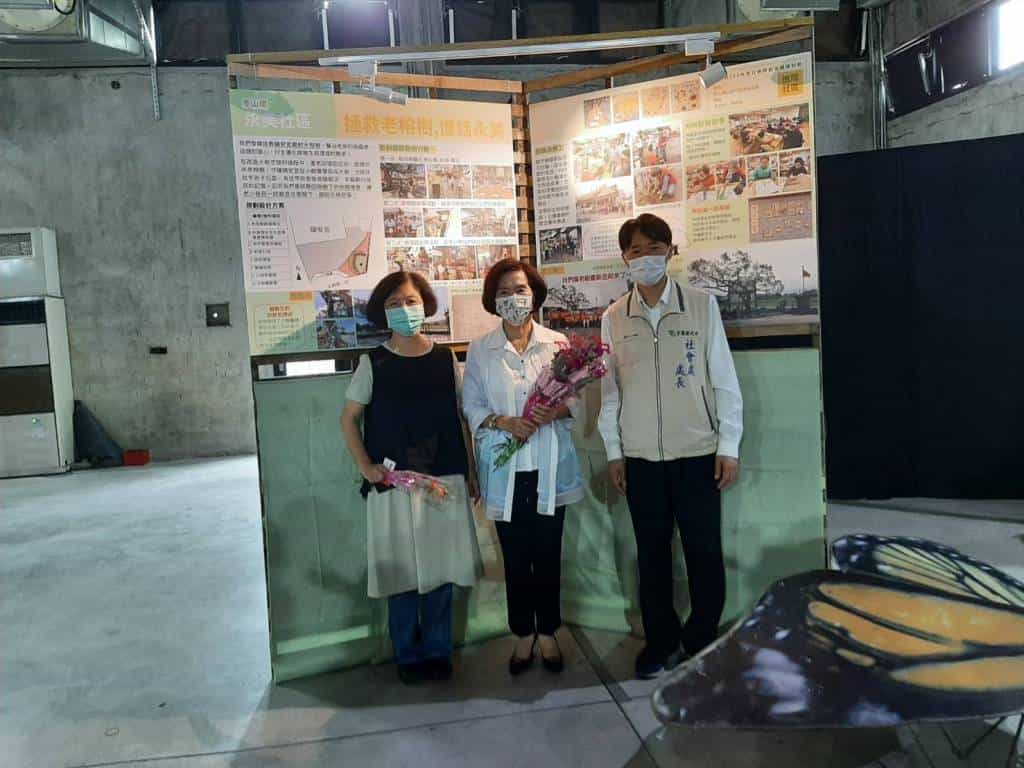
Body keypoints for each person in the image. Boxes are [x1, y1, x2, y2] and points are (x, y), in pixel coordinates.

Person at [598, 213, 743, 680]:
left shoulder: (701, 306)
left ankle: (702, 637)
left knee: (704, 552)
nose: (645, 258)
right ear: (625, 258)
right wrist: (615, 451)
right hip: (641, 460)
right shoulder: (613, 318)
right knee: (652, 555)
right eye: (635, 251)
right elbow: (610, 393)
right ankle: (659, 641)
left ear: (670, 252)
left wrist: (728, 444)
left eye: (654, 248)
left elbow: (723, 379)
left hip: (698, 454)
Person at [340, 272, 483, 685]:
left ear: (426, 304)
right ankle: (407, 653)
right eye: (394, 303)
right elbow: (348, 419)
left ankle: (438, 650)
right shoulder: (373, 363)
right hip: (394, 482)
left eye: (411, 301)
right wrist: (366, 466)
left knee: (441, 569)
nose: (405, 309)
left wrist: (471, 470)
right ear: (382, 312)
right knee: (401, 572)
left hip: (444, 479)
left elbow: (461, 418)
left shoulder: (445, 359)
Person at [462, 259, 585, 676]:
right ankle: (522, 632)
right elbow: (471, 404)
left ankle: (548, 630)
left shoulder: (557, 343)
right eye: (503, 292)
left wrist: (555, 411)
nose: (513, 299)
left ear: (534, 294)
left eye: (519, 289)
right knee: (515, 556)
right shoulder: (481, 349)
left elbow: (576, 399)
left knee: (548, 553)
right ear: (492, 301)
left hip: (549, 464)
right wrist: (504, 421)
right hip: (505, 467)